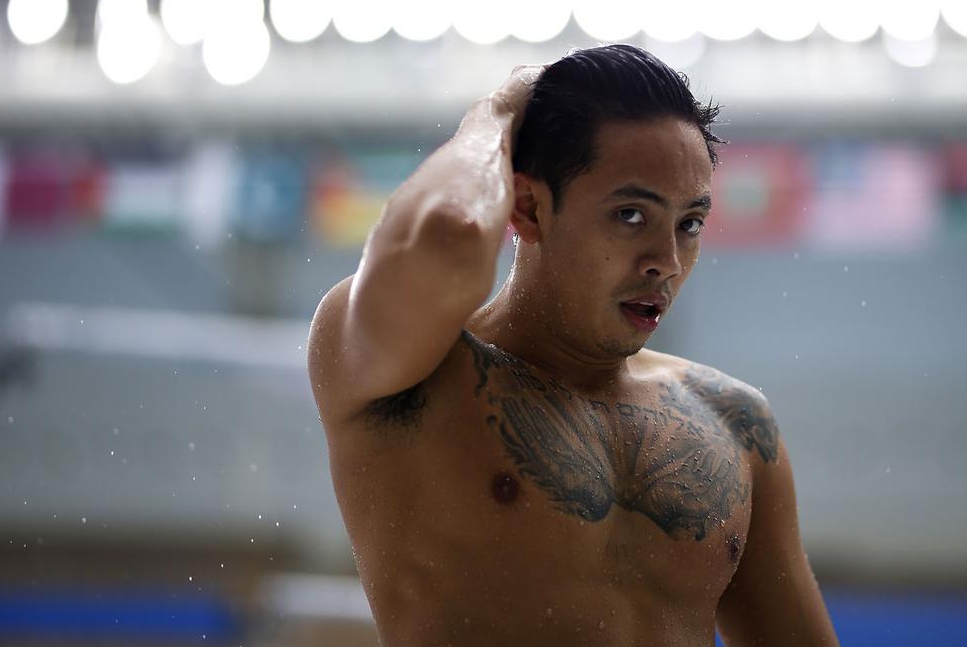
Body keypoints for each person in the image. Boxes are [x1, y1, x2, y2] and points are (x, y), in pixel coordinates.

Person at [307, 44, 839, 646]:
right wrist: (499, 109)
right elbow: (447, 234)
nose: (665, 263)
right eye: (632, 215)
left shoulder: (737, 424)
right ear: (528, 207)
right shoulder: (419, 374)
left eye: (689, 224)